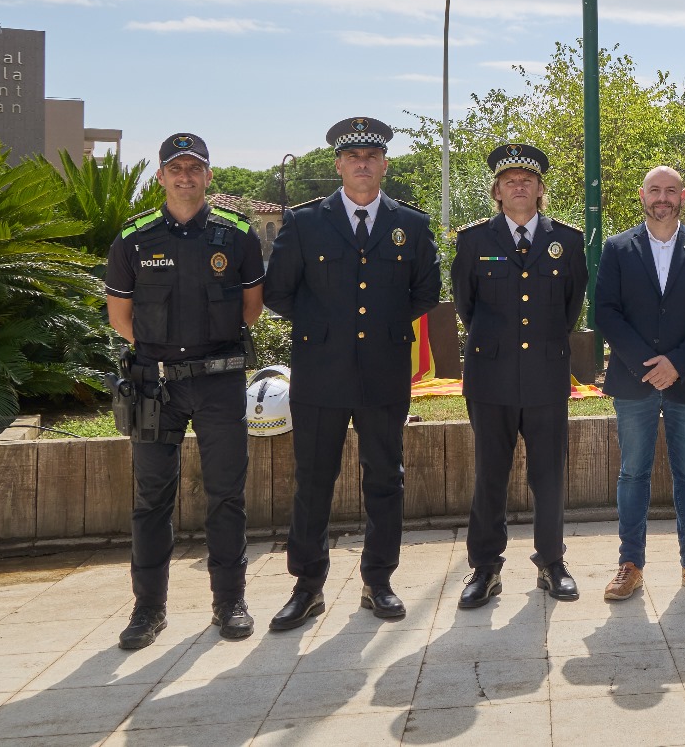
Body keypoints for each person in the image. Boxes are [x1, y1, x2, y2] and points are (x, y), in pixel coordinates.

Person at [264, 117, 441, 630]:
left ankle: (378, 581)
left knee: (385, 478)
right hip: (321, 369)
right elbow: (279, 292)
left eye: (372, 157)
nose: (363, 164)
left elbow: (425, 290)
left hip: (383, 371)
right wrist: (326, 327)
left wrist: (383, 324)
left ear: (384, 164)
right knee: (313, 481)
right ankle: (308, 587)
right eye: (353, 157)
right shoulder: (305, 223)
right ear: (338, 164)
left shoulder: (413, 223)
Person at [104, 133, 265, 649]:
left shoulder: (237, 235)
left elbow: (251, 308)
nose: (185, 177)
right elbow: (122, 319)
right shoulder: (135, 238)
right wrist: (166, 355)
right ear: (161, 177)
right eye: (176, 168)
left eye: (195, 168)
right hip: (156, 387)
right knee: (152, 500)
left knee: (227, 496)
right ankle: (148, 609)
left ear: (209, 176)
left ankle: (229, 601)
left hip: (219, 384)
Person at [452, 143, 589, 607]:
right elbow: (467, 306)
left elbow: (571, 306)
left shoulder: (566, 241)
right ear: (497, 190)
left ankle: (552, 562)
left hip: (546, 375)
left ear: (539, 189)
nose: (519, 186)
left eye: (527, 180)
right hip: (490, 376)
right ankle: (485, 568)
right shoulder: (473, 241)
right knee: (491, 474)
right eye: (510, 180)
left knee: (548, 474)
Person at [594, 166, 685, 602]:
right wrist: (647, 366)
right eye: (655, 190)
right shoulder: (616, 248)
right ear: (642, 195)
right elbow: (606, 312)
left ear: (683, 196)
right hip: (634, 382)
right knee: (633, 473)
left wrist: (677, 364)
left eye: (671, 190)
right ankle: (629, 565)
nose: (663, 197)